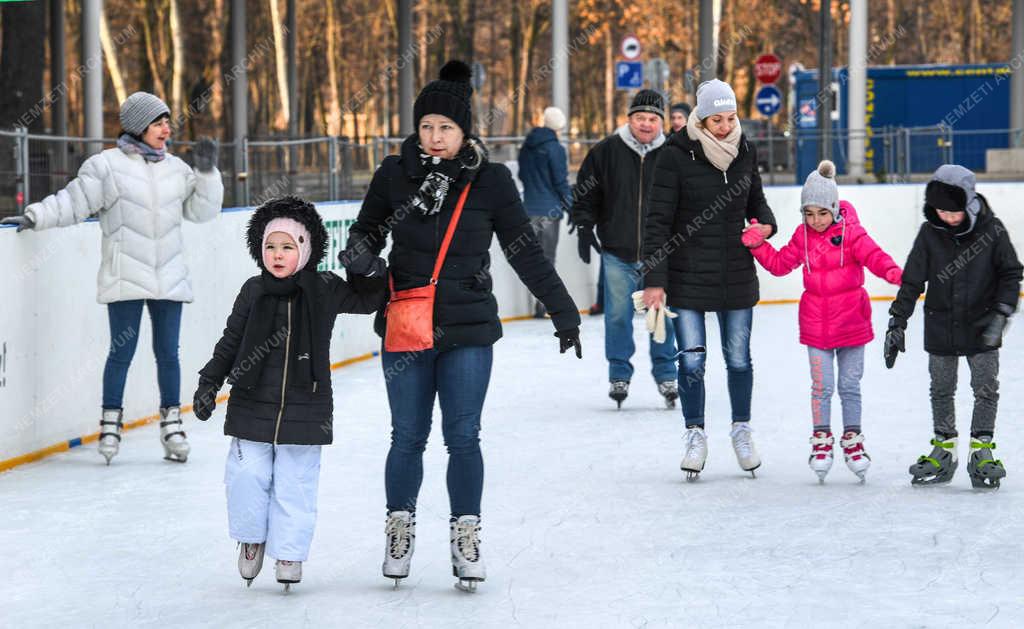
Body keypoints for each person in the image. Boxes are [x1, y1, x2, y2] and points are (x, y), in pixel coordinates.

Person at [339, 60, 581, 591]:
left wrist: (562, 311)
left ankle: (465, 536)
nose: (434, 137)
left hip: (468, 329)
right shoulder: (392, 175)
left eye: (445, 128)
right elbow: (364, 235)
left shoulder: (490, 182)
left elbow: (525, 253)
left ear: (465, 130)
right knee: (406, 436)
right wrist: (360, 257)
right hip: (406, 324)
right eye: (426, 126)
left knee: (463, 436)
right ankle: (398, 529)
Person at [1, 91, 223, 465]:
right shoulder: (105, 166)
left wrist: (206, 174)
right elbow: (73, 202)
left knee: (168, 354)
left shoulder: (177, 169)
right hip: (125, 274)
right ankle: (110, 424)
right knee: (122, 352)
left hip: (168, 276)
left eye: (168, 122)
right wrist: (35, 216)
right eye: (158, 122)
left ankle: (172, 426)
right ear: (138, 127)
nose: (167, 129)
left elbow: (202, 212)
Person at [191, 196, 386, 589]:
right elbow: (231, 341)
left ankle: (290, 554)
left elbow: (371, 301)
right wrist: (209, 382)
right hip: (251, 401)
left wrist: (367, 269)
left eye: (288, 246)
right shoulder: (253, 290)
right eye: (270, 246)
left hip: (306, 402)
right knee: (246, 474)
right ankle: (251, 539)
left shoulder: (325, 288)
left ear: (306, 248)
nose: (277, 255)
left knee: (296, 482)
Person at [642, 79, 778, 480]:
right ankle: (695, 433)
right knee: (693, 361)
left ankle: (741, 429)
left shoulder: (745, 150)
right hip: (686, 277)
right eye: (715, 119)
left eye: (730, 117)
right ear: (700, 118)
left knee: (738, 358)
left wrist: (767, 226)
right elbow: (657, 223)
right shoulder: (674, 156)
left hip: (735, 273)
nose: (724, 126)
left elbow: (758, 204)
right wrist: (655, 279)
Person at [741, 160, 903, 483]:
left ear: (835, 209)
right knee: (822, 387)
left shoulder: (852, 235)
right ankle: (821, 439)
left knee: (848, 386)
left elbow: (876, 258)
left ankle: (853, 440)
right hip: (816, 325)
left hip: (852, 323)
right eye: (808, 213)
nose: (815, 220)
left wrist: (899, 276)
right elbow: (779, 264)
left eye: (822, 213)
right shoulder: (802, 236)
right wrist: (759, 246)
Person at [885, 165, 1022, 489]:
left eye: (952, 210)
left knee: (986, 389)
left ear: (968, 202)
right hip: (940, 324)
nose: (946, 216)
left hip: (983, 324)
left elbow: (1011, 273)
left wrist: (1002, 313)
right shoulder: (929, 233)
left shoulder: (993, 231)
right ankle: (944, 450)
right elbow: (912, 280)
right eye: (940, 210)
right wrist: (897, 321)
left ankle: (981, 451)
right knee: (941, 390)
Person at [570, 89, 678, 409]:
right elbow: (585, 194)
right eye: (640, 118)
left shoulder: (674, 153)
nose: (646, 124)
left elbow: (689, 200)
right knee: (617, 316)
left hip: (661, 253)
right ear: (629, 119)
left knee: (662, 317)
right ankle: (619, 373)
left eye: (653, 119)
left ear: (661, 122)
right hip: (617, 251)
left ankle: (666, 373)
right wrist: (583, 225)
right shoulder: (606, 151)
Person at [518, 106, 572, 318]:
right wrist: (571, 207)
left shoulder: (526, 145)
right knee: (548, 259)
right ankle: (545, 306)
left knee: (533, 259)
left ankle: (536, 304)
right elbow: (560, 182)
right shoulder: (555, 148)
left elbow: (522, 175)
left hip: (528, 208)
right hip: (549, 212)